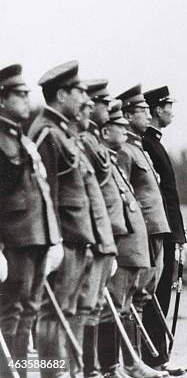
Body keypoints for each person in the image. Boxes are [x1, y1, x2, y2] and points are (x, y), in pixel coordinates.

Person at [28, 60, 97, 377]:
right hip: (63, 238)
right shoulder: (46, 132)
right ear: (61, 94)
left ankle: (66, 372)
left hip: (75, 237)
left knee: (67, 312)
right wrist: (52, 241)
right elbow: (45, 192)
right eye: (79, 92)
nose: (86, 100)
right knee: (52, 314)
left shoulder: (61, 132)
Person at [0, 64, 62, 377]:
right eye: (20, 94)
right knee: (12, 309)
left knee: (29, 309)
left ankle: (20, 372)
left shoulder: (21, 139)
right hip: (13, 239)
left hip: (37, 235)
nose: (27, 99)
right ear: (2, 99)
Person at [98, 99, 163, 378]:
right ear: (105, 130)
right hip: (121, 241)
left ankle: (130, 364)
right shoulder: (121, 153)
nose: (124, 131)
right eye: (118, 125)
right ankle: (108, 368)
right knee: (112, 305)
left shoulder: (121, 154)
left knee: (130, 303)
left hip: (135, 237)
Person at [115, 85, 173, 375]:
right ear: (127, 114)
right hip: (143, 231)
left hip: (155, 228)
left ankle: (139, 362)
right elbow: (124, 193)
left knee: (143, 297)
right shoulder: (126, 150)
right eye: (142, 110)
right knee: (133, 297)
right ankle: (132, 362)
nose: (148, 114)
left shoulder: (138, 146)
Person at [141, 86, 187, 375]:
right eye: (169, 104)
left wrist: (180, 232)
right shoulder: (147, 143)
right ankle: (153, 357)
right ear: (157, 109)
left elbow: (169, 195)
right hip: (158, 231)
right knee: (156, 295)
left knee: (162, 295)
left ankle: (158, 356)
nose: (172, 109)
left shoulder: (155, 143)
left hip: (168, 229)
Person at [75, 88, 119, 377]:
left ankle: (100, 369)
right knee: (80, 308)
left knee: (95, 306)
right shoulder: (82, 141)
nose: (102, 107)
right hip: (86, 235)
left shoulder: (91, 141)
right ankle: (86, 370)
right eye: (100, 103)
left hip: (104, 234)